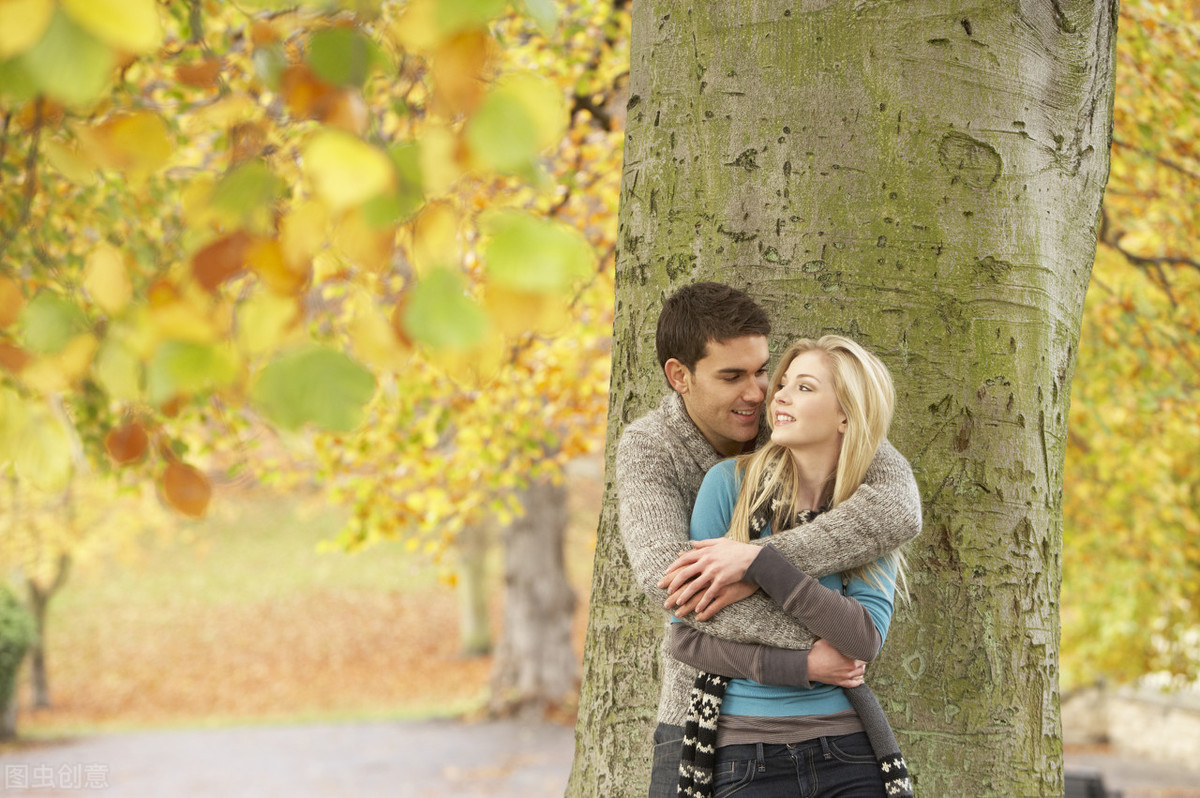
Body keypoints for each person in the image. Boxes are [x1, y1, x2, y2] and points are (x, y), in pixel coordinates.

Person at [615, 282, 922, 798]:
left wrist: (756, 563)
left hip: (836, 735)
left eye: (762, 371)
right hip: (702, 710)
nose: (759, 393)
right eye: (733, 376)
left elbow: (897, 507)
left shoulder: (792, 422)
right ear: (679, 377)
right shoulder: (652, 448)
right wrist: (811, 655)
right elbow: (674, 588)